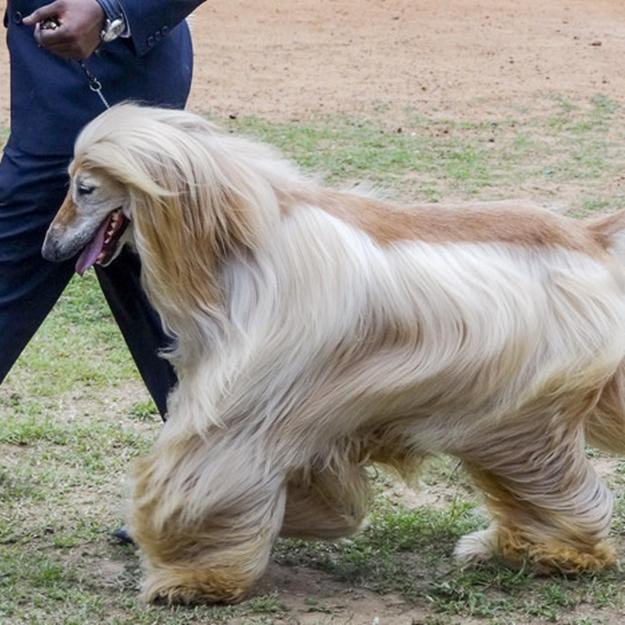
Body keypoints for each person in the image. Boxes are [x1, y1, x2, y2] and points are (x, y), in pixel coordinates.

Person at [1, 0, 207, 415]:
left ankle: (231, 459)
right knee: (164, 307)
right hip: (43, 75)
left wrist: (113, 10)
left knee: (171, 308)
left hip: (121, 70)